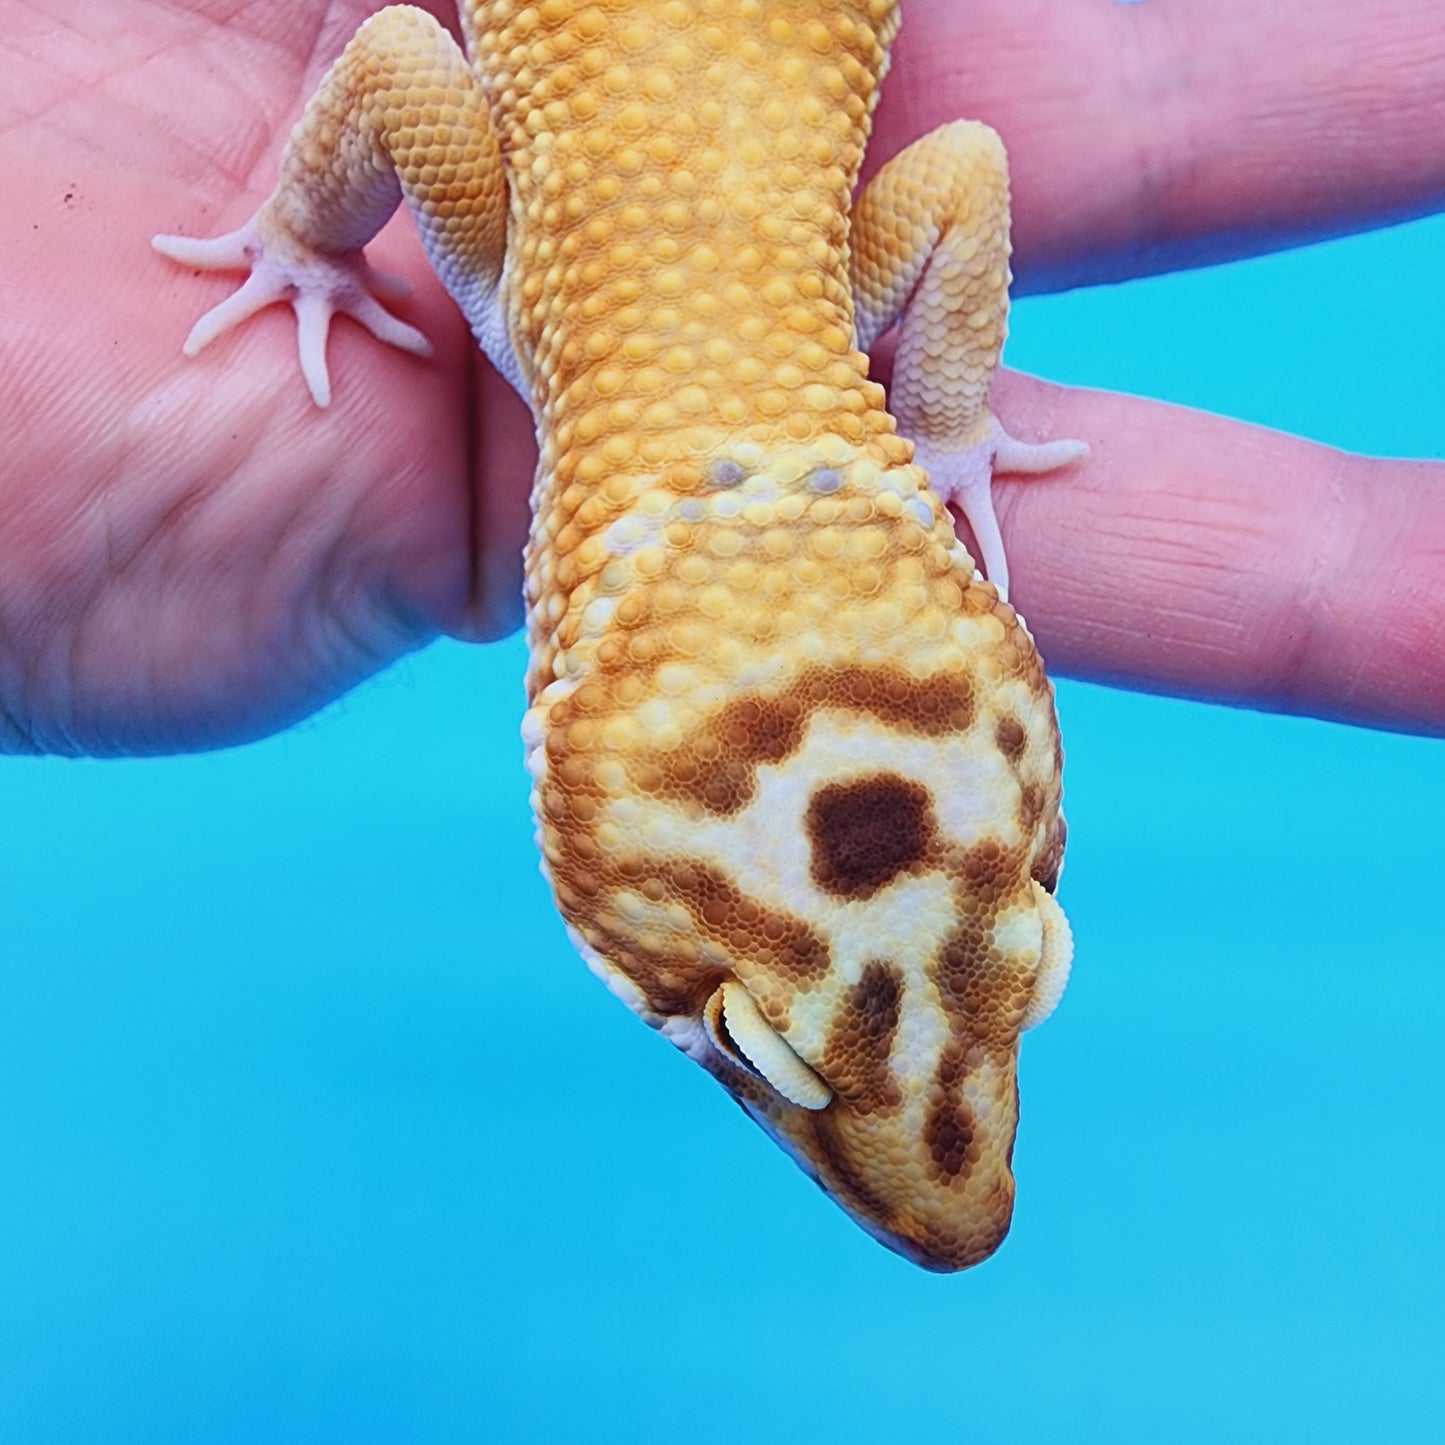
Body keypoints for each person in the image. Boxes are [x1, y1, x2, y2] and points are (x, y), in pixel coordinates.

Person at [1, 0, 1441, 756]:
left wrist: (943, 416)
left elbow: (958, 177)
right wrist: (300, 239)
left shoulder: (790, 303)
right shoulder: (534, 285)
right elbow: (392, 61)